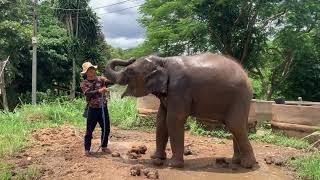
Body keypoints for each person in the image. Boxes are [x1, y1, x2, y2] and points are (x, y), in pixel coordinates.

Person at [80, 61, 112, 156]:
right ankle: (87, 149)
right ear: (86, 73)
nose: (92, 71)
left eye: (93, 69)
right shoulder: (84, 83)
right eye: (90, 70)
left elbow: (111, 82)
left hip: (103, 107)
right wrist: (99, 90)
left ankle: (104, 146)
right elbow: (88, 93)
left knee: (106, 128)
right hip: (92, 109)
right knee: (89, 130)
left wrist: (109, 80)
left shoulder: (101, 80)